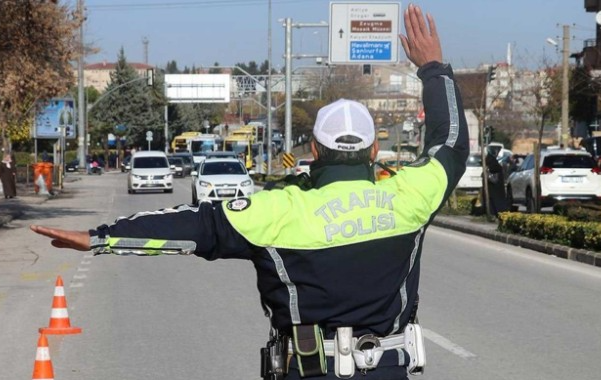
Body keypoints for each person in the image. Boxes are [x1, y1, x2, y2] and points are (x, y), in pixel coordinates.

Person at [30, 5, 468, 379]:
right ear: (375, 149)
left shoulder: (277, 209)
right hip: (390, 368)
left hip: (307, 369)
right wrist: (433, 68)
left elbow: (193, 225)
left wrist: (100, 236)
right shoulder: (411, 194)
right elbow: (449, 143)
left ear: (314, 149)